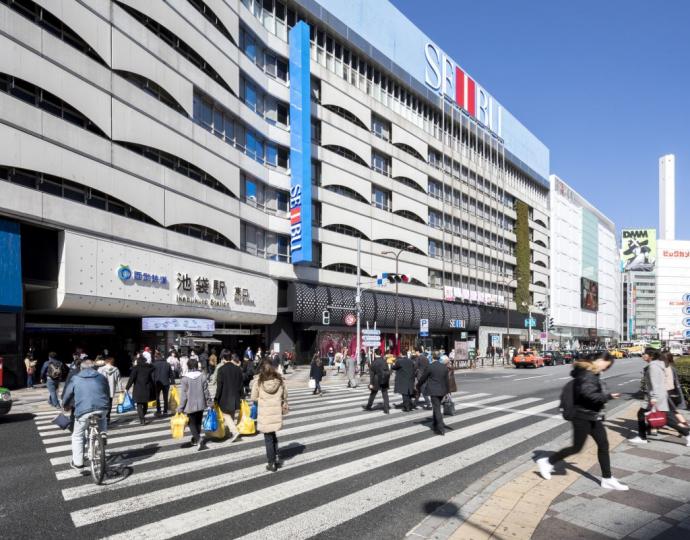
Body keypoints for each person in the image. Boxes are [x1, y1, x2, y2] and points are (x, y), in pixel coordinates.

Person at [538, 353, 629, 490]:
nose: (606, 368)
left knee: (603, 444)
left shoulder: (592, 373)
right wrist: (608, 396)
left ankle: (607, 478)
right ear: (599, 360)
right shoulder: (587, 374)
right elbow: (588, 394)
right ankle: (547, 462)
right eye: (606, 364)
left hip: (593, 416)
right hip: (582, 417)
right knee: (577, 447)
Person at [630, 349, 690, 445]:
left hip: (656, 397)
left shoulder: (653, 367)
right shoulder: (657, 365)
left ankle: (687, 433)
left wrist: (654, 397)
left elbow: (656, 383)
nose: (643, 355)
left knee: (667, 419)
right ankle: (643, 436)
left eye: (645, 354)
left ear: (651, 356)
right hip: (658, 396)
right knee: (661, 417)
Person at [61, 359, 110, 470]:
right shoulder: (101, 377)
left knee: (77, 435)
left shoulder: (76, 378)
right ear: (94, 368)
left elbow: (68, 394)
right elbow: (107, 392)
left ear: (81, 368)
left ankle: (78, 463)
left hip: (83, 410)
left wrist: (65, 405)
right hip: (102, 407)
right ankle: (103, 433)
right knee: (102, 417)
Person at [251, 361, 289, 472]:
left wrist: (263, 401)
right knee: (273, 434)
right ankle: (276, 455)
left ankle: (271, 463)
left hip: (265, 412)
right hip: (276, 411)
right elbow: (285, 395)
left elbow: (253, 397)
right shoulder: (279, 380)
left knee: (268, 437)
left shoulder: (258, 382)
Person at [178, 358, 213, 450]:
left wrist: (180, 408)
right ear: (197, 366)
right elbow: (206, 392)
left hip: (190, 405)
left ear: (188, 366)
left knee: (191, 423)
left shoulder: (185, 378)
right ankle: (195, 439)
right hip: (201, 404)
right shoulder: (202, 376)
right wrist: (210, 403)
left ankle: (198, 439)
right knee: (198, 422)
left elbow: (184, 395)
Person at [417, 353, 450, 435]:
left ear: (432, 357)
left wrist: (418, 385)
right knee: (437, 406)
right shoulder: (444, 367)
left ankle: (440, 428)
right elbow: (447, 381)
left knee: (437, 408)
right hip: (442, 391)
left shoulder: (430, 366)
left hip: (434, 391)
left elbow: (423, 378)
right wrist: (448, 392)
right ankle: (435, 423)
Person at [215, 352, 244, 443]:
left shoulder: (221, 369)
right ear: (231, 358)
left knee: (225, 414)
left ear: (223, 359)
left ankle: (234, 432)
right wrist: (242, 395)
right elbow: (241, 384)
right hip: (235, 395)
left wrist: (216, 398)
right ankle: (229, 433)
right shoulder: (237, 369)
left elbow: (219, 386)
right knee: (231, 413)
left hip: (225, 396)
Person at [126, 356, 155, 425]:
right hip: (147, 388)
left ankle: (142, 419)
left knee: (139, 404)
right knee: (145, 404)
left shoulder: (136, 368)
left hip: (138, 388)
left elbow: (131, 379)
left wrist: (127, 388)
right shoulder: (148, 368)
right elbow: (153, 367)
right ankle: (143, 414)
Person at [363, 350, 390, 414]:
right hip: (384, 379)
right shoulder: (384, 361)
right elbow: (388, 371)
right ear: (381, 354)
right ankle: (386, 409)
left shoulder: (374, 362)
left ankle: (368, 406)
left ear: (375, 354)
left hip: (376, 380)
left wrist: (371, 383)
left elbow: (372, 374)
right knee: (385, 394)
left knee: (373, 394)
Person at [98, 357, 122, 424]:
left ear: (106, 362)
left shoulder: (100, 369)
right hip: (111, 389)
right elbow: (118, 380)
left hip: (102, 390)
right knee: (110, 403)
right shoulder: (116, 369)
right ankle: (108, 417)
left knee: (103, 403)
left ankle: (103, 417)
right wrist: (120, 389)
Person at [153, 351, 175, 416]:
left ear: (156, 357)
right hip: (166, 383)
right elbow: (171, 374)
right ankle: (165, 411)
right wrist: (173, 383)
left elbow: (152, 374)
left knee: (157, 397)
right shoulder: (167, 364)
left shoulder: (154, 364)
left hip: (157, 383)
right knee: (165, 397)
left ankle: (158, 411)